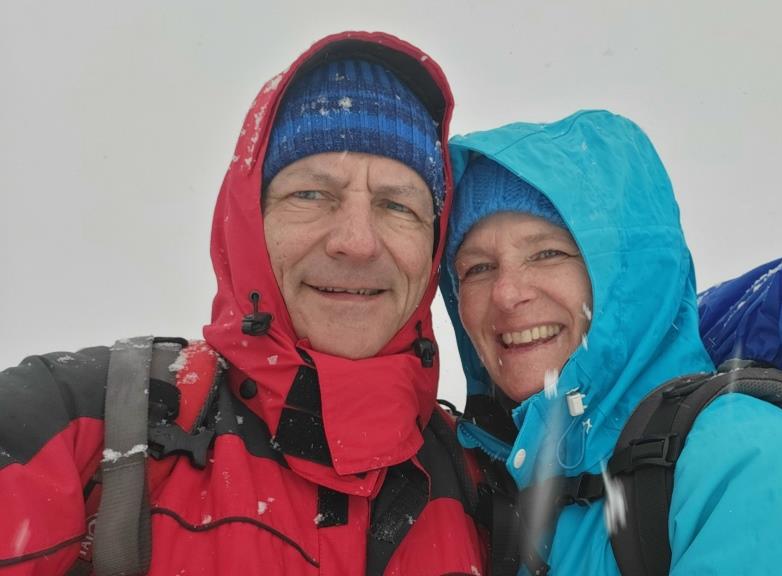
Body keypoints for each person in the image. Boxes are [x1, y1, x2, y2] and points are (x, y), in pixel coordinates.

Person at [0, 32, 487, 575]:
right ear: (250, 221)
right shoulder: (86, 421)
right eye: (310, 194)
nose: (356, 242)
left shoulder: (483, 488)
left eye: (398, 205)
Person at [439, 109, 782, 574]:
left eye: (547, 253)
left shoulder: (742, 459)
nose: (506, 293)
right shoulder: (493, 485)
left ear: (629, 278)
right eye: (478, 267)